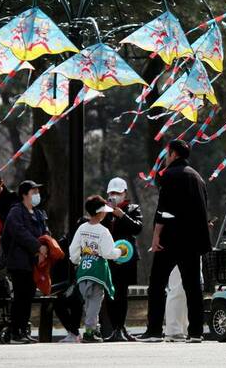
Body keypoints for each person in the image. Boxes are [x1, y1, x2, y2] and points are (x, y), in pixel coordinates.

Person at [138, 139, 211, 343]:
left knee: (157, 284)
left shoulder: (169, 175)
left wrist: (156, 236)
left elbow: (164, 209)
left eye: (167, 153)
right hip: (194, 240)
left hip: (172, 238)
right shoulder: (197, 177)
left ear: (172, 154)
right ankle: (196, 332)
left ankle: (153, 331)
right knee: (193, 287)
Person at [0, 180, 49, 344]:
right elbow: (19, 232)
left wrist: (45, 247)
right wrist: (37, 247)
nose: (36, 195)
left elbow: (45, 232)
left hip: (33, 263)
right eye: (33, 192)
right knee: (20, 297)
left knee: (28, 296)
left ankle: (22, 331)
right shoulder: (16, 212)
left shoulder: (38, 213)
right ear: (24, 194)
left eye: (37, 192)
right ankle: (15, 332)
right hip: (18, 262)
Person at [70, 195, 123, 343]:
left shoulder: (82, 228)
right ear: (100, 212)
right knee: (95, 301)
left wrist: (77, 260)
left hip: (83, 270)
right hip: (97, 272)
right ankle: (89, 331)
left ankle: (93, 328)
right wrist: (120, 252)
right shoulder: (103, 231)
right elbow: (108, 253)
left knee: (88, 302)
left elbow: (73, 249)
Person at [103, 177, 143, 342]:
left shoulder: (133, 209)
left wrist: (121, 215)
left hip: (126, 257)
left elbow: (137, 228)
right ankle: (114, 329)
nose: (114, 196)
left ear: (125, 193)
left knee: (122, 293)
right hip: (109, 257)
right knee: (110, 293)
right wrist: (107, 213)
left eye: (118, 193)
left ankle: (121, 327)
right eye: (112, 193)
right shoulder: (104, 210)